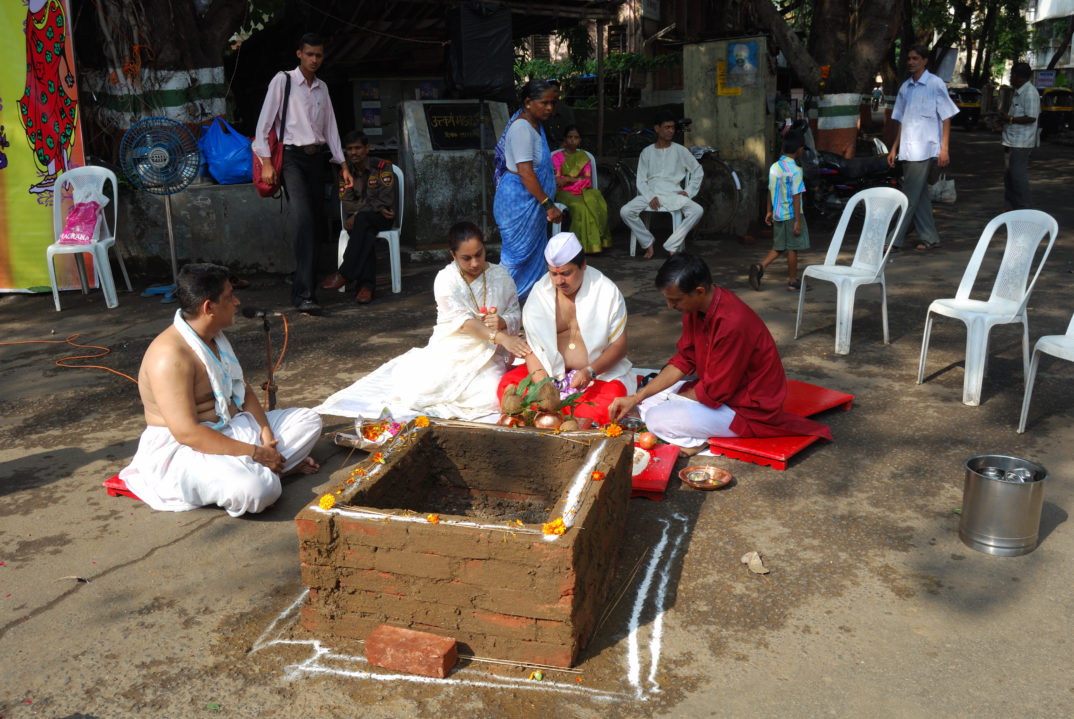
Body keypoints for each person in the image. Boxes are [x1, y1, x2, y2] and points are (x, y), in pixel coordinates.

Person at [119, 264, 322, 517]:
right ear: (208, 308)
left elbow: (243, 390)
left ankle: (264, 467)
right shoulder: (170, 357)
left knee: (309, 420)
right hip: (186, 450)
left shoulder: (214, 337)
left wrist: (266, 433)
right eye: (229, 297)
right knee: (258, 491)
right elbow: (188, 434)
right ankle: (273, 470)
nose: (237, 302)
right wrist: (257, 452)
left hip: (233, 427)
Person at [609, 254, 832, 456]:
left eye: (675, 300)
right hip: (719, 392)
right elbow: (684, 359)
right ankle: (683, 422)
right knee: (646, 399)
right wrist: (638, 398)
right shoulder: (696, 309)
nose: (669, 306)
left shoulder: (732, 323)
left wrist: (671, 402)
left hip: (746, 408)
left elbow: (715, 390)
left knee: (656, 418)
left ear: (699, 291)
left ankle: (697, 441)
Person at [316, 222, 528, 421]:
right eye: (466, 258)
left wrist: (502, 321)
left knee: (490, 396)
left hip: (487, 353)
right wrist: (501, 337)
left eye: (479, 255)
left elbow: (514, 311)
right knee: (420, 390)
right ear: (452, 255)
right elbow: (462, 322)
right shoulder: (446, 279)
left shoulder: (500, 275)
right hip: (452, 349)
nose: (475, 263)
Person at [253, 32, 354, 315]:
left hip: (317, 159)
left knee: (318, 224)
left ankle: (304, 284)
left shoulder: (322, 88)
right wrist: (268, 163)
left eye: (318, 55)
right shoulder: (283, 81)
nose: (314, 59)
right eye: (309, 54)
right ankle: (304, 294)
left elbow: (331, 128)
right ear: (299, 54)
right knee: (304, 221)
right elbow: (263, 126)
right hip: (292, 159)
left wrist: (342, 163)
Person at [497, 232, 634, 426]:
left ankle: (552, 418)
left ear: (583, 265)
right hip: (549, 374)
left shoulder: (607, 292)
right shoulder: (540, 294)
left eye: (566, 273)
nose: (559, 281)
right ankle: (553, 414)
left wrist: (589, 372)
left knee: (608, 403)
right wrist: (545, 387)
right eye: (554, 274)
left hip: (597, 375)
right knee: (508, 386)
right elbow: (532, 349)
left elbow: (619, 347)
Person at [493, 78, 563, 301]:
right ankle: (497, 305)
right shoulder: (522, 128)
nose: (550, 108)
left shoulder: (535, 124)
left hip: (530, 202)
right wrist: (548, 205)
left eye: (552, 103)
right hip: (518, 204)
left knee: (533, 258)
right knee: (517, 257)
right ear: (528, 102)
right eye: (545, 103)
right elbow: (525, 172)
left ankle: (528, 308)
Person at [886, 44, 959, 253]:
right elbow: (902, 120)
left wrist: (944, 149)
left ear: (925, 61)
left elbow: (946, 117)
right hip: (908, 150)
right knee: (919, 196)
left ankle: (893, 240)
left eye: (915, 58)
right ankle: (930, 238)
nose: (911, 62)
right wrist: (894, 148)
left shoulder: (935, 84)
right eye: (909, 58)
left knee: (908, 195)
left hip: (926, 150)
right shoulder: (905, 88)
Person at [319, 130, 396, 304]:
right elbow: (347, 201)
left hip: (384, 218)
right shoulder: (345, 173)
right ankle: (366, 287)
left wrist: (360, 212)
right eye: (350, 149)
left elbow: (386, 199)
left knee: (360, 222)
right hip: (365, 219)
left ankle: (345, 273)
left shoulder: (383, 167)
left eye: (358, 148)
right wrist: (368, 209)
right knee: (363, 227)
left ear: (367, 148)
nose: (354, 152)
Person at [619, 111, 704, 259]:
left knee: (697, 210)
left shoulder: (680, 151)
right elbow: (641, 180)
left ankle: (672, 244)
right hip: (650, 194)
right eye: (667, 127)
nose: (671, 130)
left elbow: (698, 171)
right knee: (626, 211)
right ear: (657, 129)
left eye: (672, 127)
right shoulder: (647, 152)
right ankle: (647, 240)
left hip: (673, 193)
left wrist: (689, 191)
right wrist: (650, 196)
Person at [751, 131, 809, 292]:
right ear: (799, 149)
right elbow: (796, 196)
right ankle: (792, 281)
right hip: (791, 214)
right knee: (792, 248)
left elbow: (771, 190)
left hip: (778, 214)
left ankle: (759, 267)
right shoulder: (796, 170)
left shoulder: (774, 167)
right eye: (803, 149)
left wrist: (768, 211)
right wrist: (797, 220)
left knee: (780, 246)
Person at [553, 125, 611, 254]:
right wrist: (576, 179)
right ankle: (579, 245)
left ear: (580, 140)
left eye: (576, 137)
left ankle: (595, 244)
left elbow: (588, 180)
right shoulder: (557, 157)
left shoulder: (584, 157)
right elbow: (557, 180)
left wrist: (568, 179)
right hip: (564, 192)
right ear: (565, 139)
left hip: (583, 190)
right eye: (570, 137)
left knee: (594, 203)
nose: (573, 140)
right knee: (580, 208)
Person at [1001, 62, 1039, 210]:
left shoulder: (1030, 93)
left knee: (1018, 177)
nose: (1010, 78)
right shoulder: (1018, 92)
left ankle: (1024, 208)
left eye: (1012, 75)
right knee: (1009, 177)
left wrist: (1010, 119)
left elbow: (1032, 117)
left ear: (1018, 77)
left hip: (1021, 143)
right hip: (1011, 140)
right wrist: (1004, 122)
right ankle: (1011, 206)